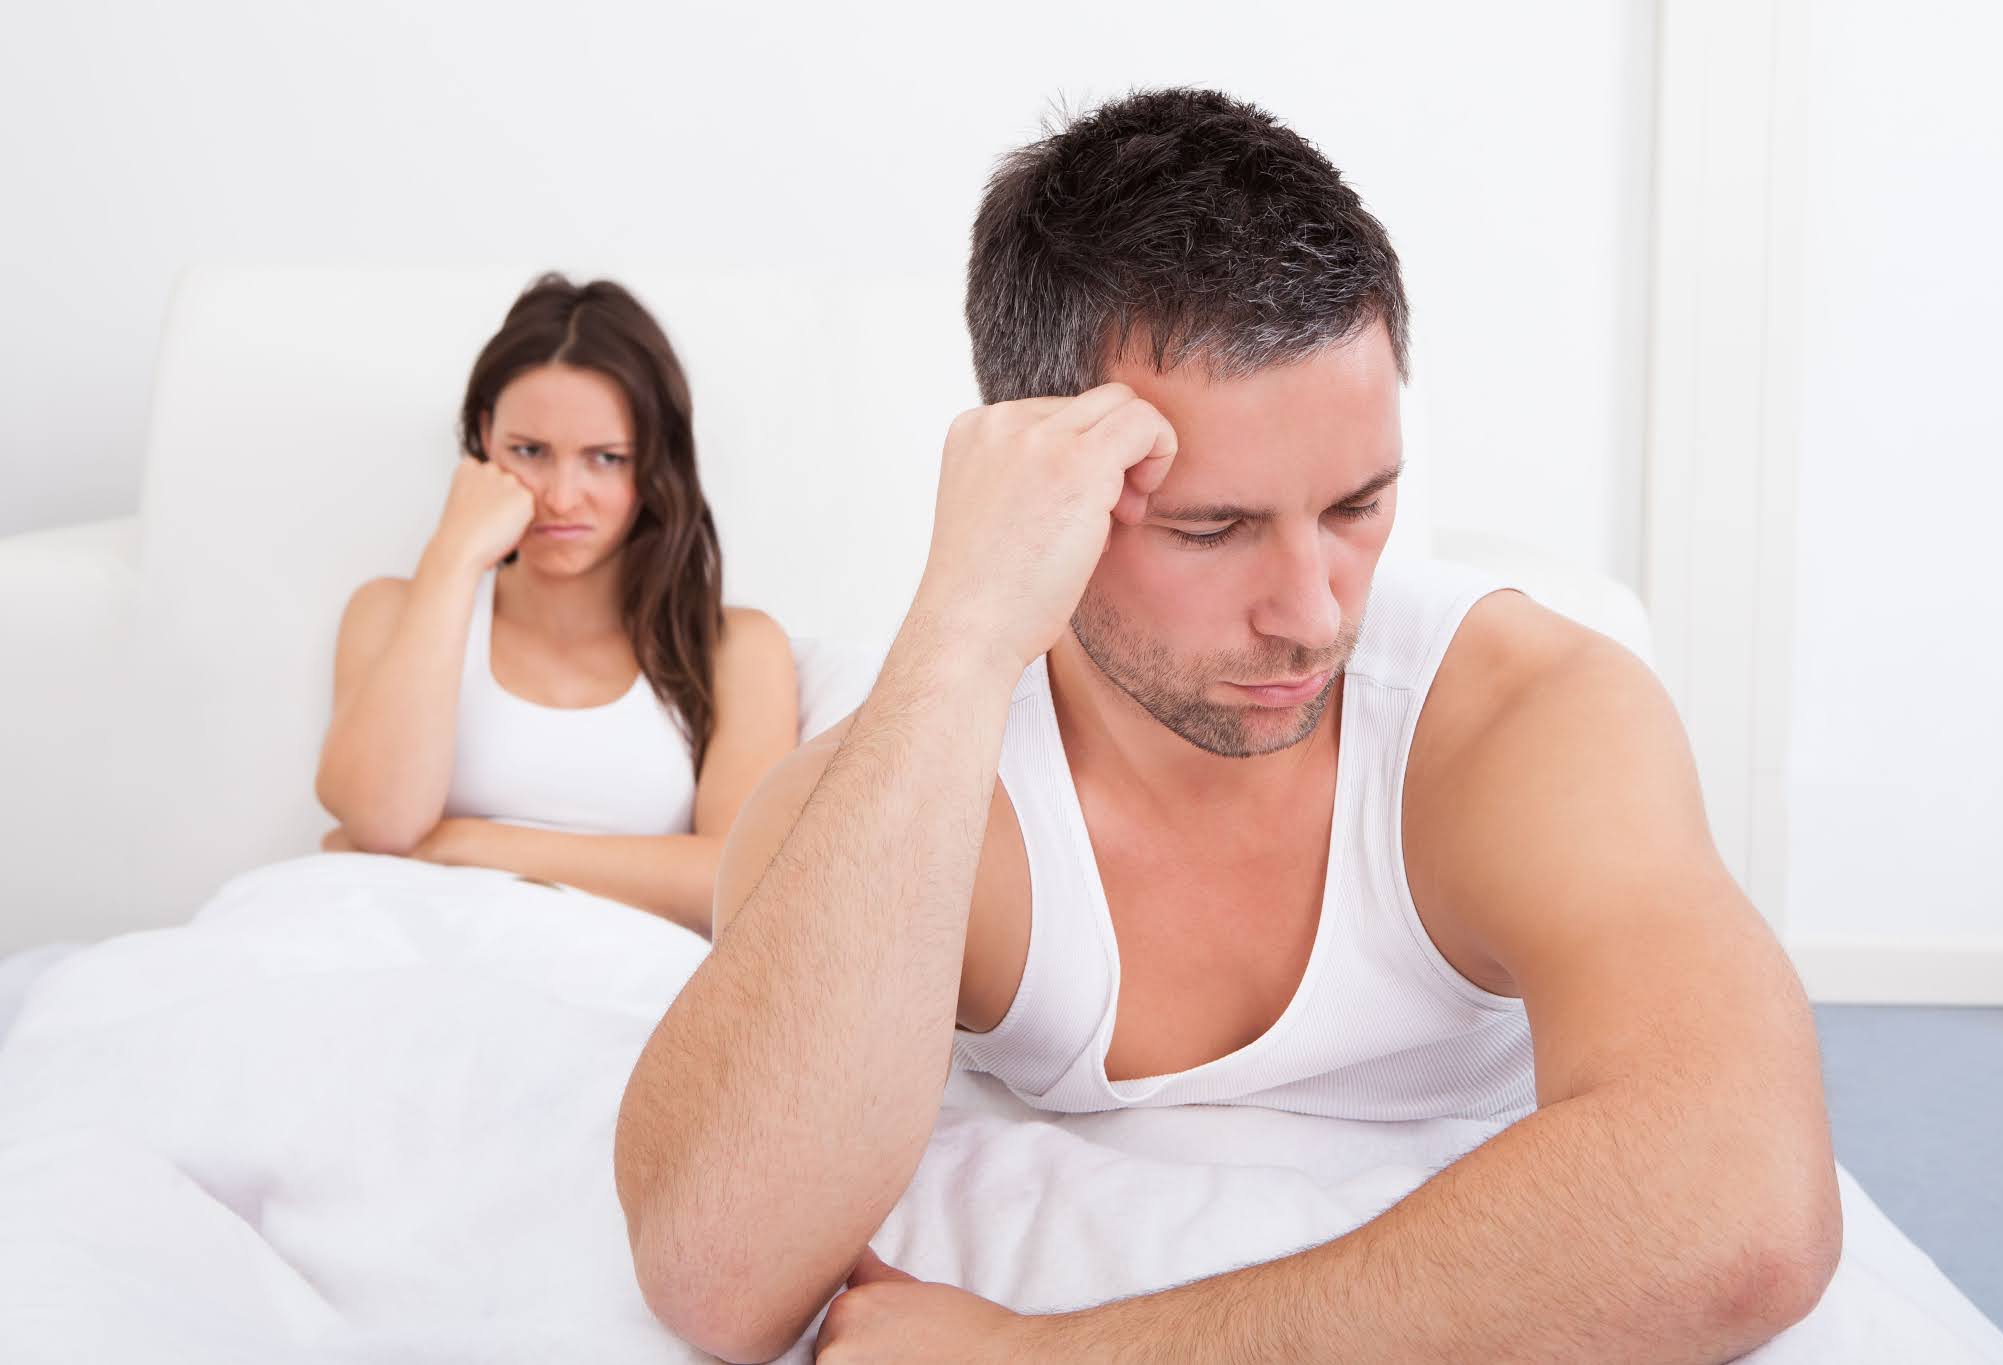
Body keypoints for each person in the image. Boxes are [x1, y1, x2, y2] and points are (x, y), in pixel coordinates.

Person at [614, 89, 1842, 1361]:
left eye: (1358, 507)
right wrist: (959, 628)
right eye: (1211, 529)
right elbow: (720, 1272)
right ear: (1042, 479)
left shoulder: (1524, 717)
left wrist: (1044, 1357)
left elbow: (1745, 1210)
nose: (1311, 615)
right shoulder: (912, 796)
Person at [314, 274, 797, 938]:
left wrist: (459, 843)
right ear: (484, 437)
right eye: (529, 452)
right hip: (392, 949)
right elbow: (382, 821)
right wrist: (455, 553)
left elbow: (736, 882)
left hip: (617, 980)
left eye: (606, 458)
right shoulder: (392, 611)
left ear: (656, 462)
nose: (562, 498)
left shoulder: (735, 649)